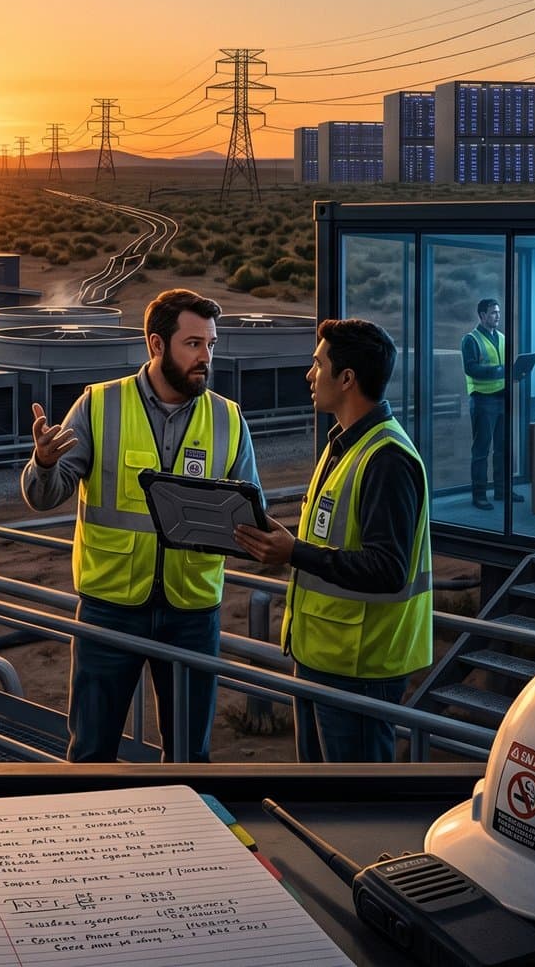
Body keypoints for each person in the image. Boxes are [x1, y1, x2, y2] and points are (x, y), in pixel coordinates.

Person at [23, 288, 261, 763]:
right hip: (110, 608)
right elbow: (43, 496)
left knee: (191, 756)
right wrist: (44, 464)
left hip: (192, 610)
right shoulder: (99, 405)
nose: (205, 358)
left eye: (210, 345)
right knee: (92, 751)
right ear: (156, 345)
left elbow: (250, 513)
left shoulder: (228, 418)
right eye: (193, 344)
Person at [234, 318, 431, 764]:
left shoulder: (387, 459)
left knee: (353, 813)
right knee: (320, 802)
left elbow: (388, 569)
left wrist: (293, 552)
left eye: (317, 364)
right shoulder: (342, 444)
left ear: (346, 378)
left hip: (360, 668)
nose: (309, 374)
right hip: (323, 658)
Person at [461, 298, 518, 510]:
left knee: (502, 448)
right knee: (481, 451)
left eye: (498, 312)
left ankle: (502, 490)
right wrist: (498, 371)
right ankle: (479, 495)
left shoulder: (502, 338)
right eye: (493, 313)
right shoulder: (471, 340)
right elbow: (471, 369)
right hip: (482, 399)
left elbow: (506, 367)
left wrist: (515, 372)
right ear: (482, 315)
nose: (497, 316)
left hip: (502, 398)